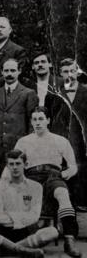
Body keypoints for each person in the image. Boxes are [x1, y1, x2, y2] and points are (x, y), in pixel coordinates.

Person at [8, 107, 81, 257]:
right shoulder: (23, 141)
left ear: (48, 120)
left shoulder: (60, 140)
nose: (38, 123)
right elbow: (13, 163)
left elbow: (73, 165)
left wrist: (66, 173)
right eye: (34, 119)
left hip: (53, 175)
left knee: (62, 194)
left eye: (41, 119)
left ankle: (69, 240)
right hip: (30, 177)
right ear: (31, 122)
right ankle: (21, 238)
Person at [0, 149, 57, 258]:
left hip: (27, 231)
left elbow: (34, 216)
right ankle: (23, 251)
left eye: (18, 163)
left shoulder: (36, 187)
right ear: (7, 166)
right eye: (11, 164)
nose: (14, 167)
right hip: (3, 231)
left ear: (26, 164)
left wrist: (12, 217)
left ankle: (5, 250)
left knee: (53, 232)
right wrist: (21, 218)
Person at [0, 58, 38, 184]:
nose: (9, 74)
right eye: (6, 70)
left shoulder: (28, 93)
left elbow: (32, 123)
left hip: (17, 146)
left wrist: (28, 144)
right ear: (2, 72)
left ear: (19, 71)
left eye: (13, 70)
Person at [58, 58, 87, 210]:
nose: (69, 74)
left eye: (72, 71)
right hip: (64, 138)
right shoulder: (57, 93)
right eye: (65, 71)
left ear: (77, 72)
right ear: (60, 74)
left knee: (82, 166)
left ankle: (82, 202)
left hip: (82, 139)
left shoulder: (86, 92)